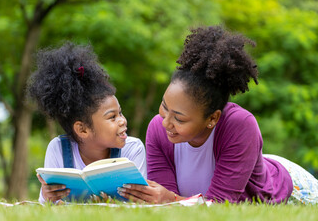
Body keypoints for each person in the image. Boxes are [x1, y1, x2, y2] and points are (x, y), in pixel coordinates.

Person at [117, 26, 318, 204]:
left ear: (212, 118)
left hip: (293, 191)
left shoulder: (240, 125)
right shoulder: (157, 129)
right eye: (164, 106)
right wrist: (164, 199)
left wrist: (171, 199)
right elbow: (165, 201)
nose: (166, 122)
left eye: (179, 118)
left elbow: (219, 205)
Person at [27, 42, 147, 204]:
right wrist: (47, 196)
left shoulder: (133, 149)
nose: (123, 121)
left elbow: (140, 203)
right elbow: (49, 207)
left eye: (120, 113)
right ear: (82, 129)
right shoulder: (58, 149)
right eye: (112, 117)